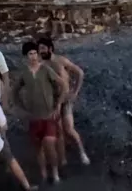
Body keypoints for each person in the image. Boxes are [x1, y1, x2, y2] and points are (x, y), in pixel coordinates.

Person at [11, 41, 66, 184]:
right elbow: (14, 92)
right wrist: (21, 109)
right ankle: (43, 174)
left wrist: (58, 104)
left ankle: (55, 173)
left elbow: (62, 85)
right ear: (26, 56)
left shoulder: (46, 69)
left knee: (49, 144)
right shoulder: (24, 73)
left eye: (35, 53)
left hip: (49, 115)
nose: (33, 56)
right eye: (30, 54)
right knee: (38, 148)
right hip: (33, 117)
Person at [36, 37, 89, 167]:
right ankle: (63, 160)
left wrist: (75, 91)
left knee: (69, 129)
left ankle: (82, 152)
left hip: (65, 100)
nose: (40, 52)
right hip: (53, 102)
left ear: (50, 48)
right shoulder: (42, 65)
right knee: (59, 131)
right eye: (39, 50)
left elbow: (80, 73)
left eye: (43, 49)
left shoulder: (61, 61)